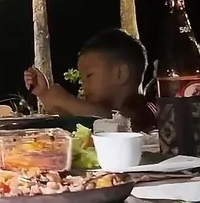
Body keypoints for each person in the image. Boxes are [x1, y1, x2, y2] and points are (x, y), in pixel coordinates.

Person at [24, 29, 158, 131]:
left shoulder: (145, 110)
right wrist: (44, 94)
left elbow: (117, 123)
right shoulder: (99, 109)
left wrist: (66, 100)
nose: (83, 84)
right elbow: (81, 117)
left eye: (89, 76)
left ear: (120, 74)